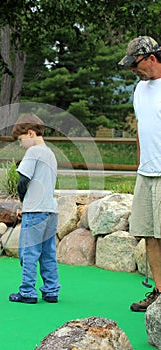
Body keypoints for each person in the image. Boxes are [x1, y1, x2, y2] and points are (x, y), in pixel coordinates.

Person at [118, 36, 161, 312]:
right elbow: (141, 132)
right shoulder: (139, 90)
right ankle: (159, 292)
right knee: (149, 235)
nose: (134, 71)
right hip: (146, 173)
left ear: (152, 58)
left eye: (136, 65)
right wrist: (139, 165)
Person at [9, 113, 61, 304]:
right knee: (48, 253)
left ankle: (28, 292)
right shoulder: (50, 153)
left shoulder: (33, 152)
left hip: (35, 211)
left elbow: (23, 181)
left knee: (28, 252)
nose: (21, 144)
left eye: (21, 139)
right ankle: (51, 291)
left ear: (30, 133)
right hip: (50, 210)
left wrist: (23, 203)